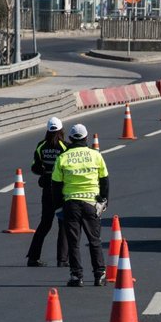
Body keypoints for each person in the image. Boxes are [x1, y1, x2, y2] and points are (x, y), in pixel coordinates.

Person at [52, 123, 110, 287]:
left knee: (73, 242)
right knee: (94, 240)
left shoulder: (62, 158)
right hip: (91, 202)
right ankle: (99, 275)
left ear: (70, 138)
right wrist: (104, 200)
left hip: (71, 203)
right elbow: (104, 180)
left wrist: (58, 207)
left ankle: (77, 276)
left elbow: (55, 185)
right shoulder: (95, 155)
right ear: (86, 138)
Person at [26, 117, 69, 267]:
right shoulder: (65, 147)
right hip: (62, 190)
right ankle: (62, 259)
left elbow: (34, 167)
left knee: (45, 223)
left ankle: (33, 257)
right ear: (61, 130)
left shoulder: (41, 146)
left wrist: (45, 173)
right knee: (63, 223)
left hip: (47, 190)